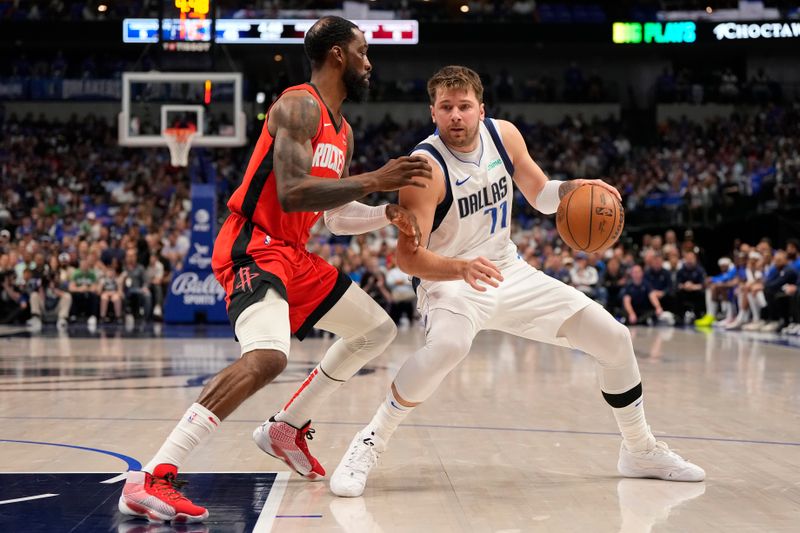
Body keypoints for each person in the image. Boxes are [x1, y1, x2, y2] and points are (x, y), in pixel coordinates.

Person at [329, 65, 704, 498]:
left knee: (615, 340)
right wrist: (460, 269)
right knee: (449, 346)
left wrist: (573, 188)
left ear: (480, 109)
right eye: (446, 107)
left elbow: (541, 194)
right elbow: (407, 257)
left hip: (508, 270)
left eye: (464, 107)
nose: (456, 116)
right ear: (432, 112)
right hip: (449, 280)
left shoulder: (504, 136)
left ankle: (639, 449)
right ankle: (370, 442)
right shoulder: (423, 170)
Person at [118, 16, 433, 523]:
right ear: (336, 55)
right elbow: (290, 191)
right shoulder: (297, 105)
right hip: (252, 245)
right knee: (266, 358)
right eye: (362, 51)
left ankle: (286, 426)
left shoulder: (344, 131)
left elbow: (331, 215)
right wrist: (375, 179)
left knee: (376, 329)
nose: (368, 62)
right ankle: (154, 474)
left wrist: (383, 213)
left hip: (293, 252)